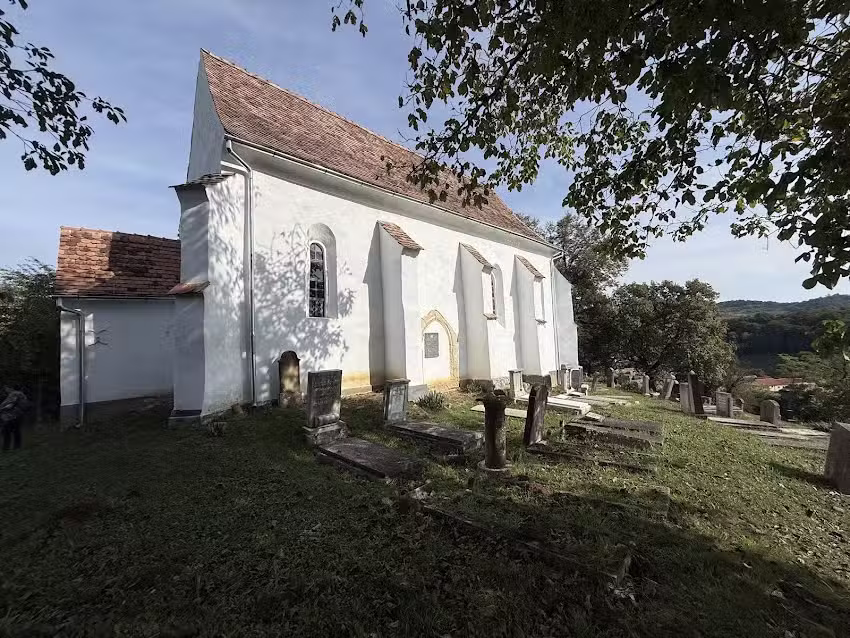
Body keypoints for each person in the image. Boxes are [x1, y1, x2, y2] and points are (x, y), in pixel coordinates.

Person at [0, 385, 29, 451]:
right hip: (19, 415)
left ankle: (6, 448)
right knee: (16, 431)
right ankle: (17, 447)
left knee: (6, 432)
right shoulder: (22, 394)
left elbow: (10, 405)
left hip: (11, 416)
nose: (5, 390)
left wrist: (1, 409)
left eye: (6, 388)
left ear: (10, 387)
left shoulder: (14, 394)